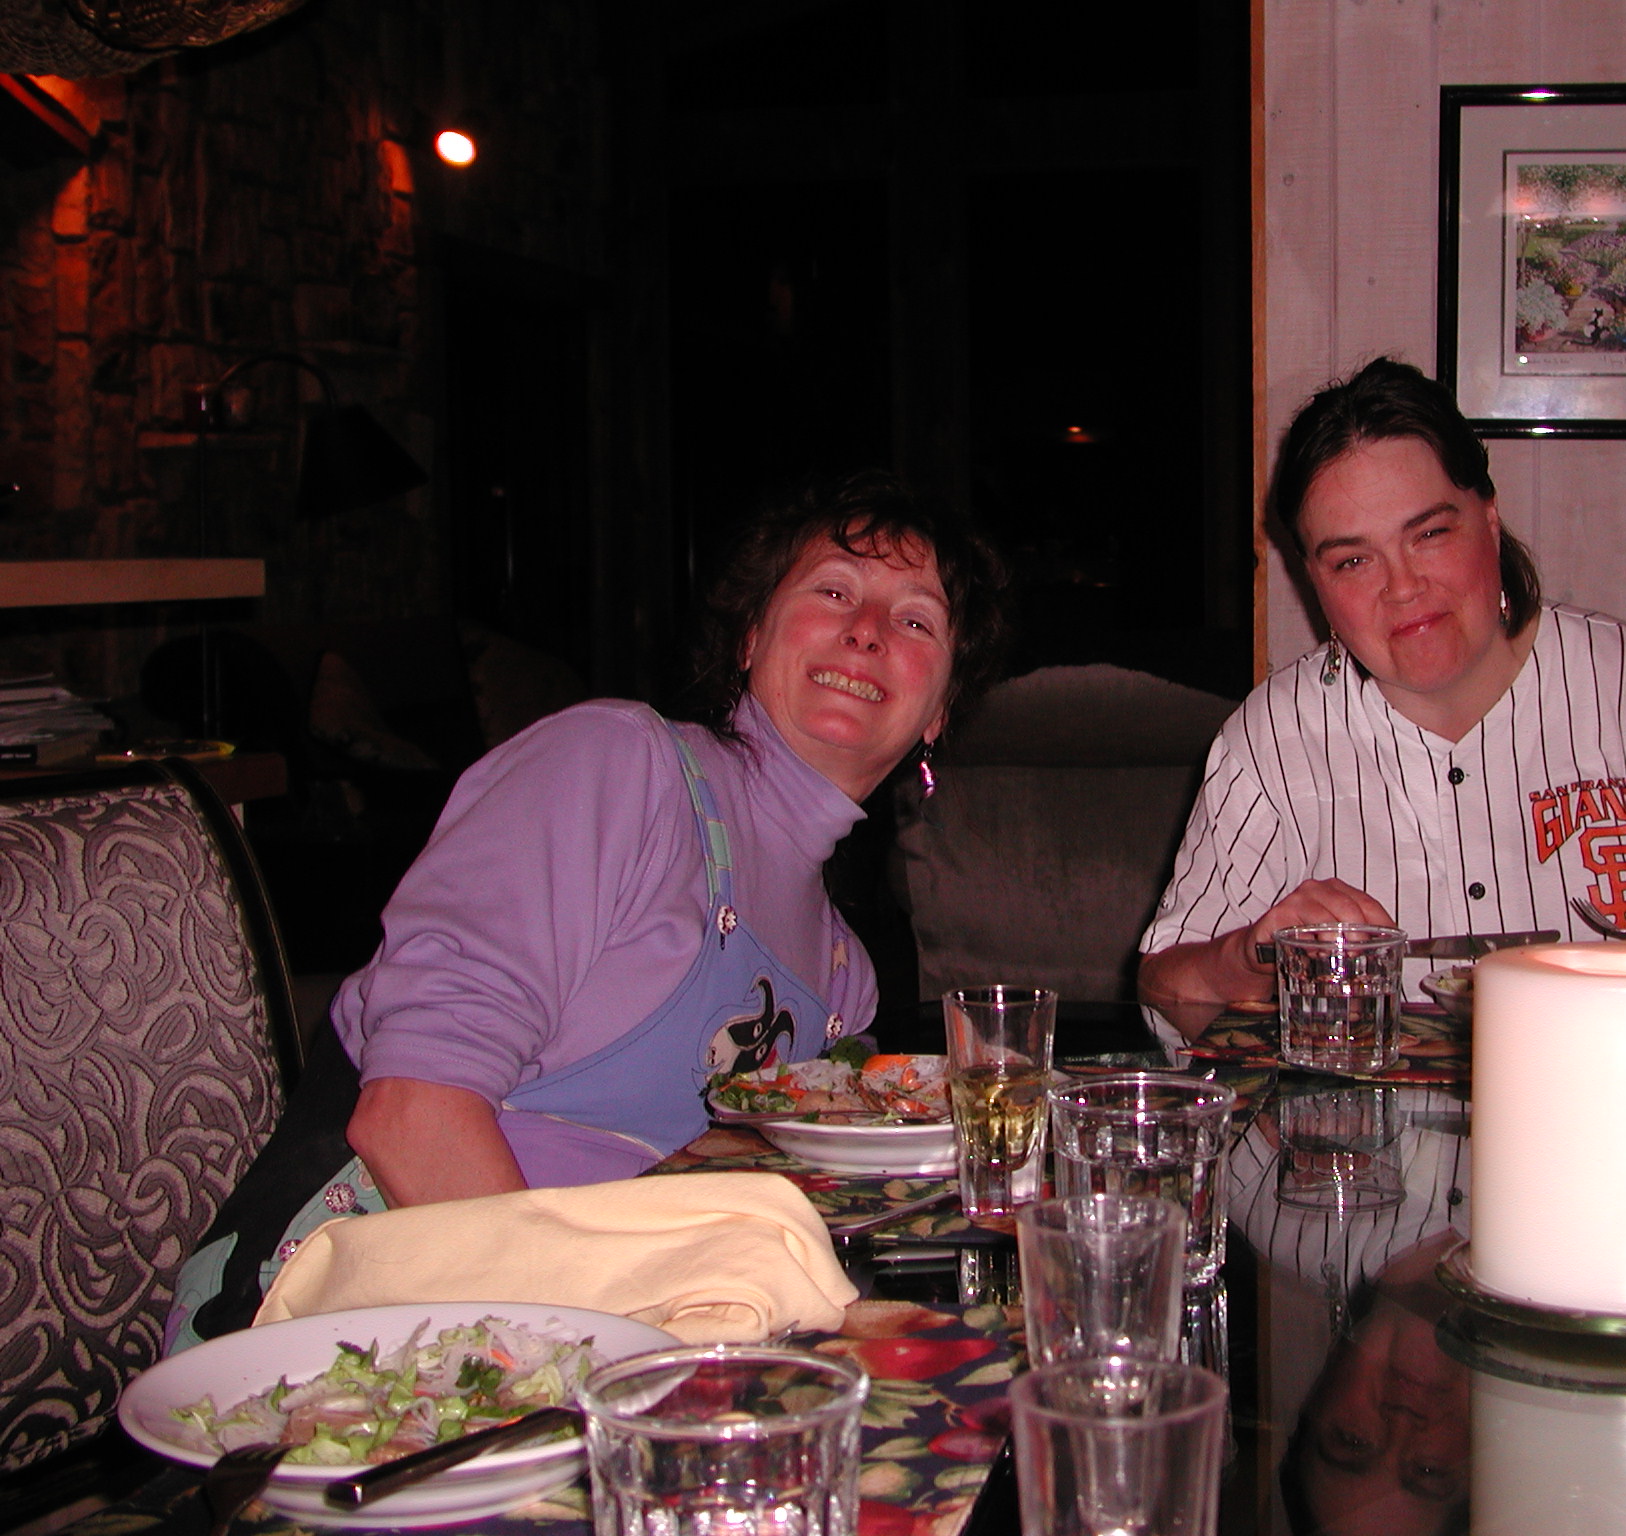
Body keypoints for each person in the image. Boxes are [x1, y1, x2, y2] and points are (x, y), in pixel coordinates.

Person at [170, 470, 1006, 1343]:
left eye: (916, 620)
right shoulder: (617, 767)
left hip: (623, 1323)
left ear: (939, 711)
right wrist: (581, 1353)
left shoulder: (843, 978)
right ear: (750, 637)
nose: (866, 630)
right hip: (344, 1324)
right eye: (833, 591)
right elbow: (411, 1116)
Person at [1138, 357, 1626, 1020]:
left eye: (1430, 534)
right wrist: (1252, 955)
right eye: (1353, 561)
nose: (1402, 587)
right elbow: (1164, 982)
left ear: (1488, 519)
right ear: (1314, 584)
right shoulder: (1269, 742)